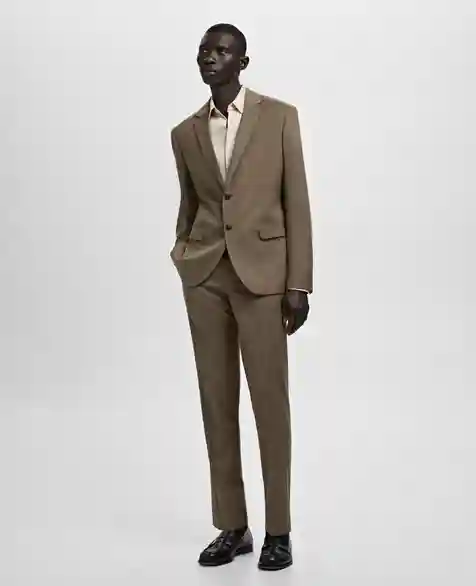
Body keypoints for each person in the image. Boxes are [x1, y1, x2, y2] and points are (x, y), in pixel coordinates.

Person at [169, 22, 313, 571]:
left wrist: (298, 283)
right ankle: (233, 526)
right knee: (216, 401)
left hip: (265, 279)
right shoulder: (184, 133)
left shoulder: (279, 118)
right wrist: (185, 256)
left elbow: (296, 200)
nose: (210, 57)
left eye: (222, 50)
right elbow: (190, 205)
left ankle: (279, 530)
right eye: (204, 50)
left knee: (270, 404)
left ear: (242, 63)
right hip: (206, 277)